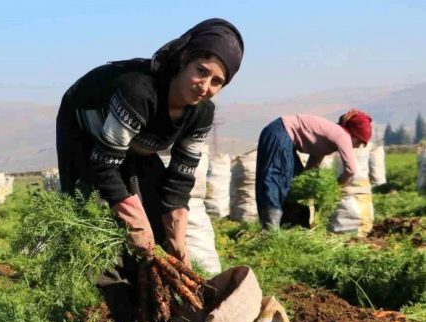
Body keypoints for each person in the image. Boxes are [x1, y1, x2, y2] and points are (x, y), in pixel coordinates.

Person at [56, 18, 244, 269]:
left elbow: (181, 176)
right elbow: (104, 165)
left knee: (156, 216)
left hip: (135, 142)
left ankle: (151, 283)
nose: (205, 86)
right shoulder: (140, 92)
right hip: (85, 131)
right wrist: (134, 222)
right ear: (184, 60)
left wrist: (177, 240)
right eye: (201, 71)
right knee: (93, 217)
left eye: (217, 81)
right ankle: (102, 291)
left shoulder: (201, 113)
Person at [255, 109, 373, 230]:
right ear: (353, 134)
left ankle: (292, 228)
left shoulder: (329, 139)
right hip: (280, 132)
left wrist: (309, 186)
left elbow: (313, 163)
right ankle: (271, 229)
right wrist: (335, 187)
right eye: (359, 141)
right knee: (277, 178)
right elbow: (351, 170)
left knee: (295, 184)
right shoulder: (343, 135)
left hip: (282, 135)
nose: (358, 146)